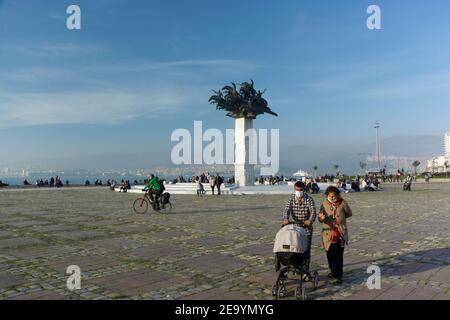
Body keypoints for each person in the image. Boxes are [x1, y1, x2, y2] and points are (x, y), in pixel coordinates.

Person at [318, 186, 352, 285]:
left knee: (338, 256)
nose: (332, 198)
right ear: (327, 195)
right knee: (330, 255)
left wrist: (340, 219)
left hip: (340, 233)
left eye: (334, 196)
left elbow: (349, 213)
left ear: (338, 195)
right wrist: (321, 218)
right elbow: (320, 218)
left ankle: (338, 275)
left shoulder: (343, 203)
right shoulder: (324, 203)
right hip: (328, 234)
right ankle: (332, 271)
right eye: (330, 196)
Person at [282, 181, 316, 280]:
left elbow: (313, 211)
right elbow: (286, 210)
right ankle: (294, 267)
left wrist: (310, 220)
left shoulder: (309, 199)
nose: (299, 192)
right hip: (294, 227)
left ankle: (305, 271)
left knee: (305, 250)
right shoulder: (291, 200)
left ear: (304, 189)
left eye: (300, 190)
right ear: (294, 189)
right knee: (293, 248)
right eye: (297, 190)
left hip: (306, 227)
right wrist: (285, 219)